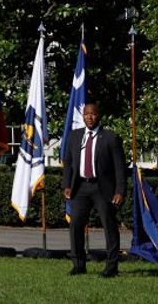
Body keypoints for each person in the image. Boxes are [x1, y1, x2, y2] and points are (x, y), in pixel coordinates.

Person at [63, 101, 127, 278]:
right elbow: (68, 163)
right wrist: (67, 185)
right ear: (82, 116)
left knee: (109, 226)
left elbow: (120, 168)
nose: (89, 117)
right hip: (80, 188)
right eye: (86, 114)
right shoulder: (75, 136)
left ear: (99, 116)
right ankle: (78, 265)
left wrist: (120, 191)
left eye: (93, 114)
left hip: (102, 188)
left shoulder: (110, 138)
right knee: (75, 225)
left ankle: (111, 267)